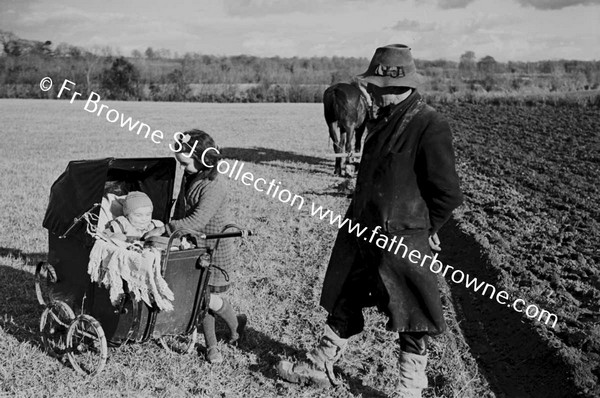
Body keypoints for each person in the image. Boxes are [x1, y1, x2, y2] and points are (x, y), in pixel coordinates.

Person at [277, 44, 463, 397]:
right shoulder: (383, 119)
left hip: (402, 239)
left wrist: (427, 230)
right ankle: (320, 364)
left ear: (395, 85)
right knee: (345, 294)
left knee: (412, 315)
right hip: (363, 230)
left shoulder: (429, 125)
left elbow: (447, 193)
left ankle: (409, 388)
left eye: (376, 84)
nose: (372, 91)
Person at [144, 129, 247, 364]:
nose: (182, 168)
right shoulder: (192, 174)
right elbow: (182, 208)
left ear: (203, 160)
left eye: (185, 164)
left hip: (214, 248)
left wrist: (165, 229)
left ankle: (236, 326)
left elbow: (196, 221)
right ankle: (212, 346)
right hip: (193, 245)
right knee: (200, 298)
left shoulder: (214, 185)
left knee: (208, 299)